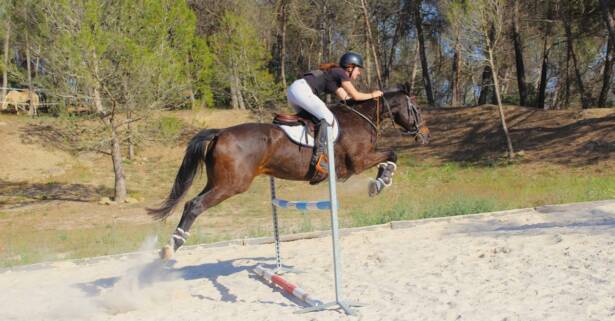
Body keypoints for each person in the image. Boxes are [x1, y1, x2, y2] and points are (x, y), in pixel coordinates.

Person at [287, 51, 383, 183]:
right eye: (358, 69)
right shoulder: (340, 72)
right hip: (302, 91)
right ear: (350, 67)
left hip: (294, 91)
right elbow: (356, 95)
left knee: (313, 123)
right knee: (328, 119)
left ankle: (307, 157)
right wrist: (374, 94)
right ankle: (319, 163)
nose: (359, 73)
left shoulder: (334, 77)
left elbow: (347, 99)